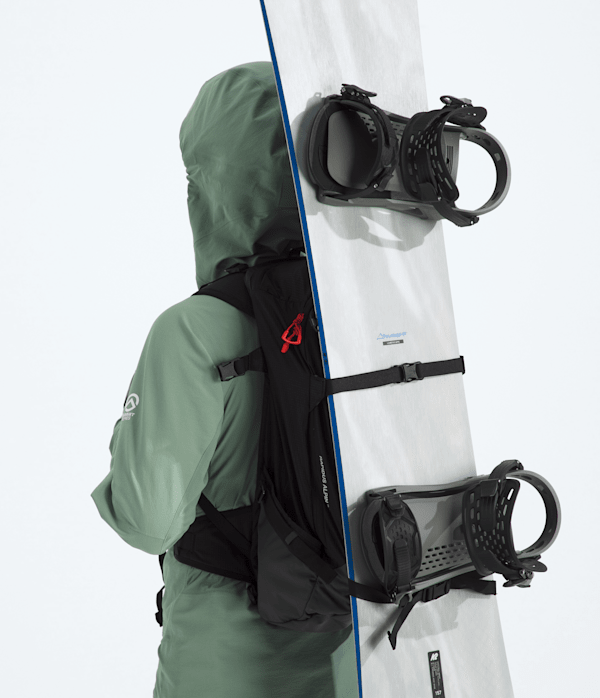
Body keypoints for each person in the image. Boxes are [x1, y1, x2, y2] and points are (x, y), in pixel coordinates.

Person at [91, 62, 355, 698]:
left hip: (221, 665)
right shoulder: (363, 314)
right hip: (353, 658)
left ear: (215, 183)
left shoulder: (192, 331)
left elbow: (147, 518)